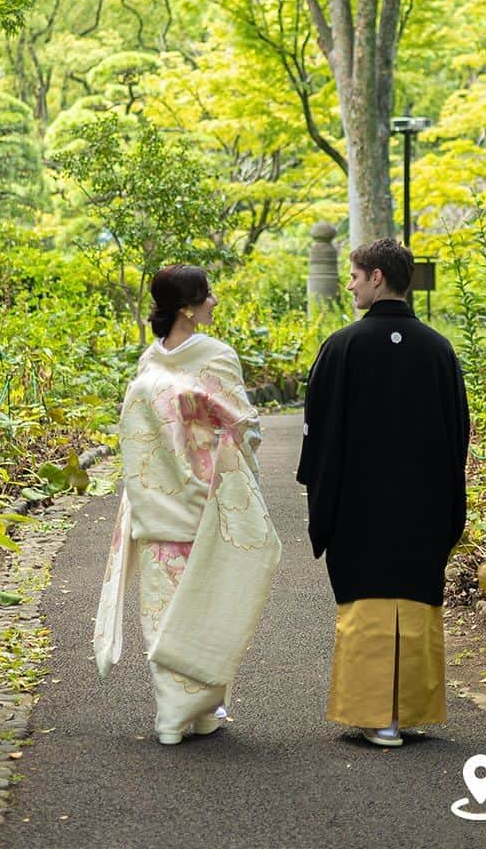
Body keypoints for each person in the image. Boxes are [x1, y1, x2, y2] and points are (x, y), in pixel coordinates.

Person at [94, 264, 282, 745]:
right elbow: (245, 429)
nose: (214, 301)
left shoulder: (147, 363)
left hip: (157, 496)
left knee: (168, 607)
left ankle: (194, 714)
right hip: (205, 496)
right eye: (208, 295)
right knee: (203, 604)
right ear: (187, 307)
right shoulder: (217, 357)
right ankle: (179, 716)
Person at [297, 238, 469, 747]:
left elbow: (319, 431)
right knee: (414, 593)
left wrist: (321, 497)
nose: (349, 283)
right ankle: (408, 709)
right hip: (422, 500)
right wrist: (445, 501)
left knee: (366, 596)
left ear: (376, 278)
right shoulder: (438, 349)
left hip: (358, 501)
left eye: (354, 275)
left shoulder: (342, 346)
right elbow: (458, 431)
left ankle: (375, 714)